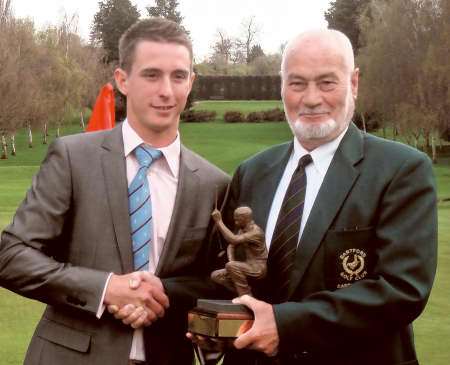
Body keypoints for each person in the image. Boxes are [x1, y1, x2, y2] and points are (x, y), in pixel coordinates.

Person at [0, 18, 229, 365]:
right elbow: (12, 256)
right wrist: (107, 289)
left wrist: (162, 293)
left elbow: (220, 284)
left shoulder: (214, 184)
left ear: (191, 82)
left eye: (178, 76)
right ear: (123, 80)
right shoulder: (73, 158)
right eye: (152, 75)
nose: (166, 90)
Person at [216, 29, 437, 365]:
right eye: (297, 83)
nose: (311, 98)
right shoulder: (252, 172)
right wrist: (213, 325)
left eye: (327, 82)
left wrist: (286, 325)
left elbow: (402, 290)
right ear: (282, 87)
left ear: (354, 83)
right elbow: (231, 275)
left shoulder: (401, 170)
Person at [210, 206, 267, 296]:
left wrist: (219, 221)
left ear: (246, 219)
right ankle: (247, 294)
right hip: (248, 265)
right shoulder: (242, 230)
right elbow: (231, 246)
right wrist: (232, 261)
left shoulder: (256, 232)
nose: (236, 223)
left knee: (231, 266)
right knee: (216, 275)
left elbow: (233, 240)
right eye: (235, 220)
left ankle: (246, 297)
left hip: (258, 268)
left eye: (238, 220)